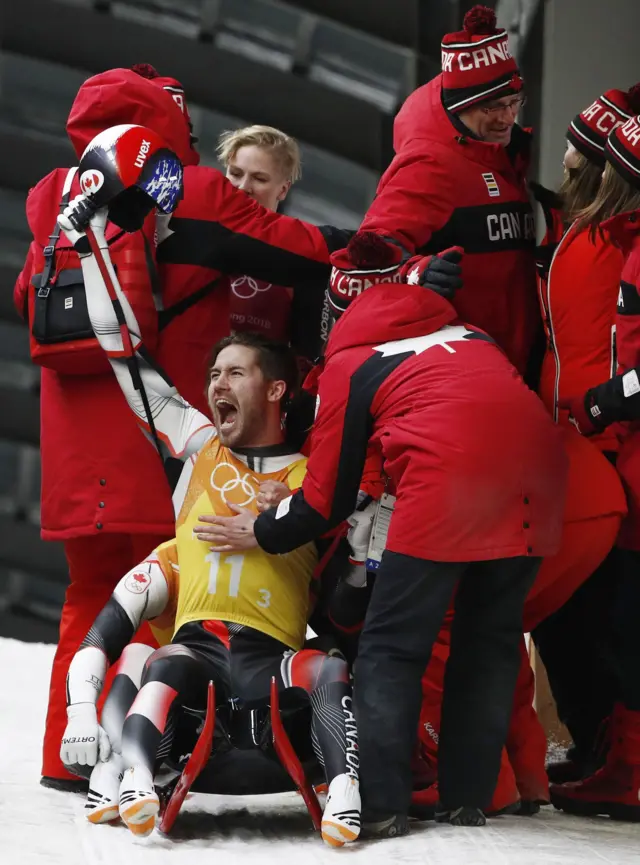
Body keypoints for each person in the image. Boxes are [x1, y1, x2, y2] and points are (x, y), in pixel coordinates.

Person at [14, 65, 352, 790]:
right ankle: (161, 761)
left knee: (90, 598)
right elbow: (299, 249)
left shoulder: (53, 197)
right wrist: (374, 250)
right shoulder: (190, 191)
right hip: (160, 445)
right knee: (179, 612)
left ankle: (66, 763)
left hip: (75, 454)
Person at [204, 272, 568, 836]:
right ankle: (467, 798)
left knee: (390, 648)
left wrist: (266, 527)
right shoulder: (472, 335)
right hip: (541, 476)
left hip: (448, 481)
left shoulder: (355, 361)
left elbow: (326, 498)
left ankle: (379, 803)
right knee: (491, 641)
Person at [56, 195, 362, 843]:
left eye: (235, 373)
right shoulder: (200, 445)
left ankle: (346, 792)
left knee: (330, 666)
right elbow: (123, 354)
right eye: (213, 372)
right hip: (194, 663)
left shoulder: (315, 476)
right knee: (156, 658)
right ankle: (129, 774)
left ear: (276, 388)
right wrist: (89, 250)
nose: (217, 382)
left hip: (273, 663)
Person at [328, 5, 539, 379]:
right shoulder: (429, 167)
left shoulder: (502, 154)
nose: (508, 118)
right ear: (460, 109)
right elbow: (366, 258)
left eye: (513, 102)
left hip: (511, 371)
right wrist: (416, 274)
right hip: (463, 381)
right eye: (493, 107)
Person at [529, 84, 640, 786]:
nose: (564, 154)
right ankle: (605, 742)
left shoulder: (621, 239)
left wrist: (601, 407)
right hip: (579, 438)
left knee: (605, 612)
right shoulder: (580, 230)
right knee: (588, 611)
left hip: (607, 446)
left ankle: (618, 751)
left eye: (578, 145)